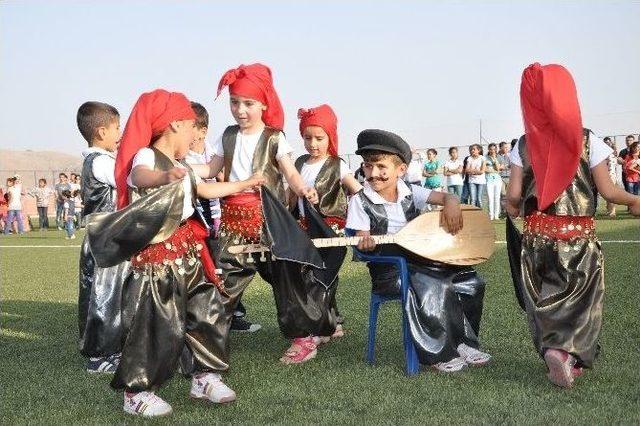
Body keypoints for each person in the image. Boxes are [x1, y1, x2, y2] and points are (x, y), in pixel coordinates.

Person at [87, 89, 264, 416]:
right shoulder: (147, 157)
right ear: (174, 125)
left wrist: (245, 184)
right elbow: (139, 176)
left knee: (207, 311)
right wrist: (164, 176)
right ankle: (137, 392)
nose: (196, 135)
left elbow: (206, 187)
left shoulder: (181, 163)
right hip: (157, 260)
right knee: (158, 323)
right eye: (191, 128)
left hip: (188, 251)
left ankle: (204, 377)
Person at [506, 63, 640, 389]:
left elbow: (512, 197)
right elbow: (608, 191)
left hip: (535, 239)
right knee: (582, 299)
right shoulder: (589, 141)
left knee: (546, 295)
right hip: (577, 239)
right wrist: (634, 202)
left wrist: (516, 209)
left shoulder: (521, 145)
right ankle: (564, 353)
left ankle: (554, 349)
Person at [194, 63, 332, 365]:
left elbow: (291, 174)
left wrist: (303, 190)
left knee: (287, 281)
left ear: (263, 104)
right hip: (233, 224)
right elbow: (211, 170)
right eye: (234, 102)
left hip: (269, 222)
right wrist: (180, 167)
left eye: (248, 103)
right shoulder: (226, 136)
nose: (240, 110)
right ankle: (206, 343)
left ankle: (304, 338)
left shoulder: (275, 137)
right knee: (221, 284)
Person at [347, 129, 491, 373]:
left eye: (382, 167)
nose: (374, 174)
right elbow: (362, 240)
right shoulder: (359, 201)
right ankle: (438, 354)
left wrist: (453, 203)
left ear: (401, 170)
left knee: (470, 281)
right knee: (435, 283)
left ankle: (463, 343)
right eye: (368, 167)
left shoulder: (410, 191)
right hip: (390, 271)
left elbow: (445, 197)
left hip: (424, 262)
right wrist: (366, 243)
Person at [291, 104, 362, 354]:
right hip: (304, 231)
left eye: (319, 138)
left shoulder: (338, 165)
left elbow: (358, 192)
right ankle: (332, 324)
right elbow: (291, 196)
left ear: (330, 137)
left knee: (318, 278)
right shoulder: (298, 163)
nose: (313, 144)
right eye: (307, 137)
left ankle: (315, 331)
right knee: (310, 276)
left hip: (332, 232)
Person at [184, 101, 257, 333]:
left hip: (221, 220)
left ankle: (232, 316)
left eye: (188, 126)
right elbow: (202, 189)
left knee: (228, 269)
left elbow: (223, 179)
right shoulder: (182, 158)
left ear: (202, 131)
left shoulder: (214, 154)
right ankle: (203, 322)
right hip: (197, 224)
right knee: (208, 273)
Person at [76, 101, 128, 374]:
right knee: (102, 297)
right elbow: (127, 178)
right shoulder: (100, 162)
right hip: (104, 240)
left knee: (108, 296)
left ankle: (111, 347)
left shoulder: (97, 160)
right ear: (101, 131)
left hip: (107, 239)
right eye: (117, 128)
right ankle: (98, 356)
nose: (120, 133)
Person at [484, 143, 503, 220]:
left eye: (494, 149)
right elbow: (485, 169)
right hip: (489, 180)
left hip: (498, 180)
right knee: (490, 198)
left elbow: (498, 169)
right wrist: (493, 170)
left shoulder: (499, 157)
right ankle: (491, 215)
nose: (492, 151)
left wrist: (494, 160)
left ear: (496, 149)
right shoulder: (485, 158)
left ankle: (496, 215)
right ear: (488, 149)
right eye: (491, 149)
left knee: (497, 197)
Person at [465, 144, 486, 208]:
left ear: (478, 150)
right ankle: (473, 215)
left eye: (474, 149)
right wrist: (476, 171)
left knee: (479, 199)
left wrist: (472, 171)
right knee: (473, 199)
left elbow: (482, 171)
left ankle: (481, 214)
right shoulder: (469, 158)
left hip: (481, 182)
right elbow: (467, 170)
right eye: (471, 149)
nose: (472, 150)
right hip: (472, 181)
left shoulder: (482, 158)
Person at [603, 137, 619, 216]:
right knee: (606, 194)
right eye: (605, 142)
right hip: (606, 175)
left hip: (611, 175)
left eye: (608, 142)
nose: (607, 144)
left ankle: (613, 211)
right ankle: (609, 210)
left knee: (610, 194)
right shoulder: (603, 152)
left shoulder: (611, 153)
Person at [497, 141, 511, 217]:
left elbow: (510, 166)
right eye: (505, 147)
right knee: (503, 195)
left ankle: (509, 212)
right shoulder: (497, 156)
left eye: (507, 147)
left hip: (509, 177)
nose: (506, 149)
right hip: (500, 178)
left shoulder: (509, 156)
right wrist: (503, 167)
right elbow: (498, 168)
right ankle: (503, 212)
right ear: (500, 147)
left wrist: (503, 167)